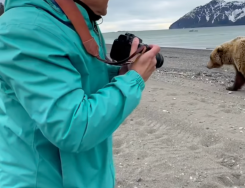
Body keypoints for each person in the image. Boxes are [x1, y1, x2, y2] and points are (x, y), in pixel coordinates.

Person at [0, 0, 159, 187]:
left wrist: (120, 73)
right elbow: (73, 129)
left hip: (84, 175)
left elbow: (81, 78)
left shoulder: (74, 20)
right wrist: (133, 80)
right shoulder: (26, 28)